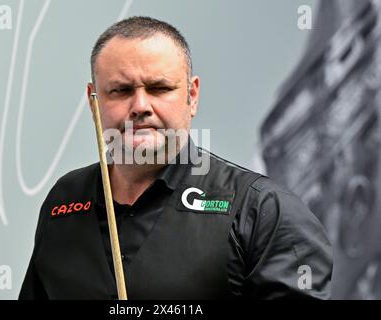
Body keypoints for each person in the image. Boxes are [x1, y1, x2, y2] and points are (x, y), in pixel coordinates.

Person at [18, 16, 333, 300]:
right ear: (93, 101)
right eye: (120, 90)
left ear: (191, 96)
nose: (140, 105)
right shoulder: (65, 200)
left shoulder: (264, 210)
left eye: (158, 88)